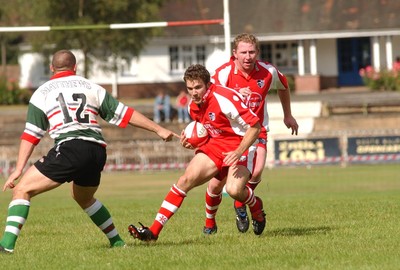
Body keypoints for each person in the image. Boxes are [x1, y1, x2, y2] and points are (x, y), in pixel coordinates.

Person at [0, 50, 178, 254]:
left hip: (70, 148)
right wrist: (159, 129)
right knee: (83, 198)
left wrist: (18, 169)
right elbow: (125, 113)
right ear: (75, 67)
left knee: (22, 190)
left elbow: (31, 135)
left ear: (51, 69)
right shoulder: (91, 86)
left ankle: (6, 246)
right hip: (96, 151)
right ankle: (117, 242)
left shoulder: (42, 92)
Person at [128, 64, 265, 241]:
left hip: (242, 145)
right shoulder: (192, 106)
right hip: (216, 146)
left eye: (198, 87)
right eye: (190, 88)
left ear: (208, 84)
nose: (193, 92)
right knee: (185, 180)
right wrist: (192, 142)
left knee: (233, 190)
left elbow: (255, 127)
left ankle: (256, 205)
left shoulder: (224, 98)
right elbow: (207, 133)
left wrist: (238, 152)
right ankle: (153, 232)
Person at [203, 33, 299, 235]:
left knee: (256, 172)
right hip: (228, 134)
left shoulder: (268, 72)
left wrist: (287, 115)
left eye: (252, 52)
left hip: (257, 130)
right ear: (234, 53)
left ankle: (241, 205)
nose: (248, 56)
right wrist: (235, 95)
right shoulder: (223, 74)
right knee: (217, 182)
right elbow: (209, 97)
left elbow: (284, 86)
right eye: (243, 52)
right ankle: (210, 221)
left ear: (258, 53)